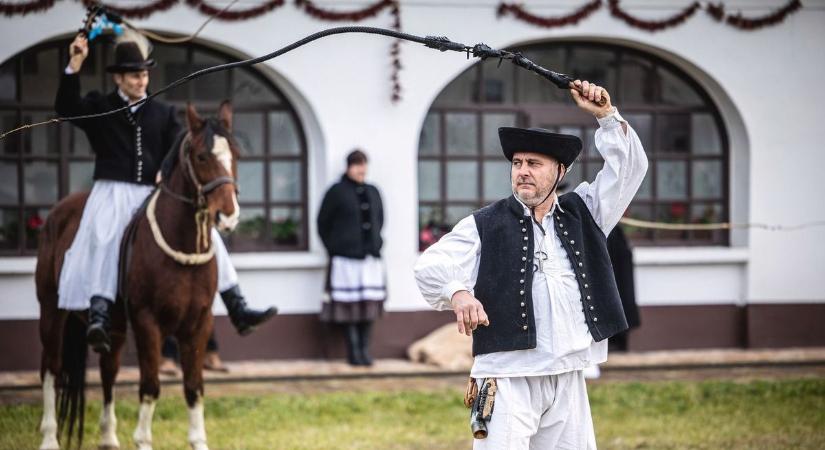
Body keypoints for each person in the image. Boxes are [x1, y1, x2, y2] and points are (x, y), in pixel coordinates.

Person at [414, 79, 648, 448]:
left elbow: (630, 170)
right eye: (518, 163)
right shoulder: (484, 223)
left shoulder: (586, 211)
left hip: (568, 374)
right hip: (506, 377)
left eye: (534, 164)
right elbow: (431, 265)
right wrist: (458, 293)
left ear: (559, 172)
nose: (522, 170)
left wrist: (606, 115)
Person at [55, 31, 276, 353]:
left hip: (152, 193)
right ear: (119, 77)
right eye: (134, 75)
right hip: (113, 191)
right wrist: (75, 62)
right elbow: (66, 107)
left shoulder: (162, 111)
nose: (141, 81)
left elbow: (181, 144)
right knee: (104, 237)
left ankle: (237, 304)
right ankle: (100, 313)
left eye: (144, 74)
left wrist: (166, 168)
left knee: (210, 235)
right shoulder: (100, 107)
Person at [317, 149, 385, 366]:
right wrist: (334, 247)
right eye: (357, 164)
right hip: (344, 260)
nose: (361, 169)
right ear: (348, 167)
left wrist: (375, 242)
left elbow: (380, 219)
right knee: (349, 309)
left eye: (363, 164)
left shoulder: (374, 191)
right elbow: (322, 223)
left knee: (368, 307)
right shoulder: (336, 192)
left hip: (369, 260)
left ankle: (365, 351)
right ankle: (353, 352)